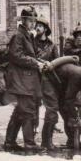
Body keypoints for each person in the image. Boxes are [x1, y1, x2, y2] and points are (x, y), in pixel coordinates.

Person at [4, 6, 48, 151]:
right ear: (23, 20)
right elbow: (16, 56)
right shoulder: (19, 35)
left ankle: (10, 141)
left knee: (20, 111)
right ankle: (29, 143)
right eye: (30, 20)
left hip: (25, 80)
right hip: (21, 80)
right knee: (27, 110)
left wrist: (39, 62)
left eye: (33, 20)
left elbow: (28, 55)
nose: (32, 23)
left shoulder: (26, 35)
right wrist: (35, 63)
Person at [33, 15, 59, 150]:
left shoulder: (52, 45)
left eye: (41, 26)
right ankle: (30, 140)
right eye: (37, 25)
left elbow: (57, 63)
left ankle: (47, 140)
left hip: (47, 80)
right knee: (31, 109)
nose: (37, 28)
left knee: (52, 109)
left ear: (46, 29)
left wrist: (50, 65)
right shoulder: (31, 42)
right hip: (33, 80)